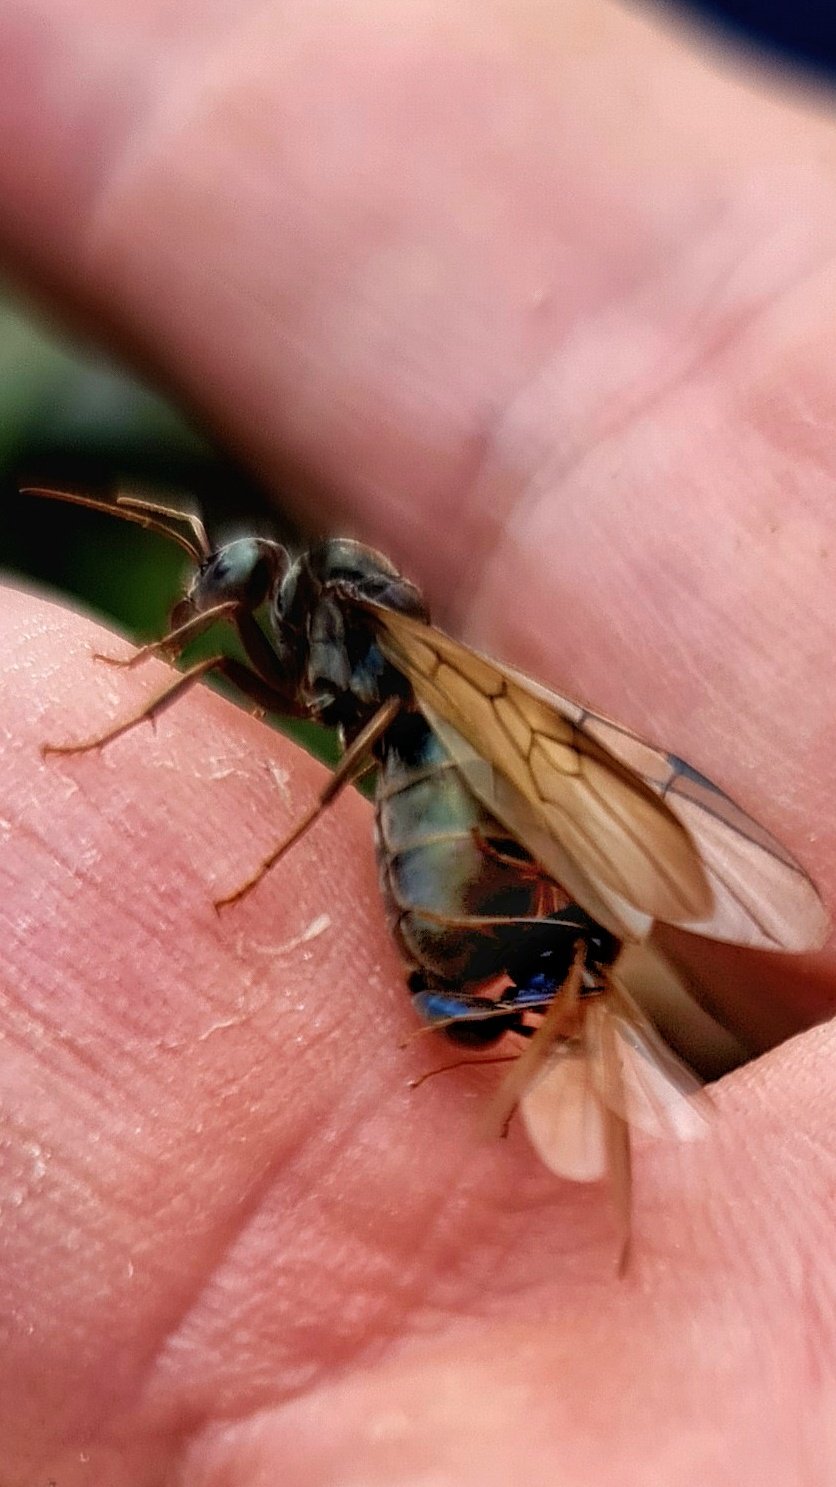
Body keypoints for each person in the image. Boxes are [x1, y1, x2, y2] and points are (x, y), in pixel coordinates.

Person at [0, 1, 833, 1482]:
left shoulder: (384, 658)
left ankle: (531, 995)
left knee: (424, 743)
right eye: (204, 597)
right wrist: (153, 664)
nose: (213, 605)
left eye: (221, 589)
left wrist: (265, 850)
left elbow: (413, 715)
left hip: (463, 829)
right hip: (457, 826)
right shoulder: (313, 624)